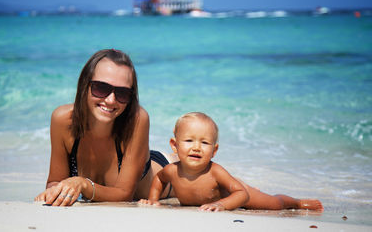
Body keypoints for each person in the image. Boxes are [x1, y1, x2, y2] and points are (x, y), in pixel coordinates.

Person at [35, 49, 173, 206]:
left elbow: (125, 194)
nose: (110, 100)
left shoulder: (137, 119)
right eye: (101, 88)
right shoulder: (63, 120)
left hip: (165, 173)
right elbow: (55, 181)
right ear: (84, 84)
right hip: (138, 156)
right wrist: (55, 191)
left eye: (122, 93)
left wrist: (83, 184)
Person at [139, 112, 324, 212]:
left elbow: (241, 194)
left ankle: (298, 202)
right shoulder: (171, 170)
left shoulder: (215, 171)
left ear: (214, 150)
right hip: (227, 191)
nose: (196, 148)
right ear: (174, 145)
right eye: (189, 141)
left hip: (235, 196)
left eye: (204, 143)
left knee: (275, 204)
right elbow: (159, 179)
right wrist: (154, 200)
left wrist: (222, 204)